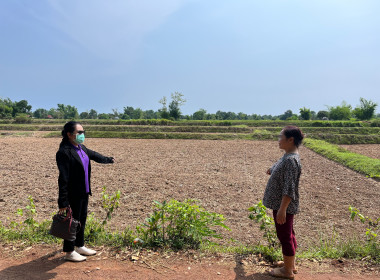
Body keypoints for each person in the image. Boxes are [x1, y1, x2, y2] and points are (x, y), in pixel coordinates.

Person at [56, 121, 115, 262]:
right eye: (79, 133)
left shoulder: (81, 148)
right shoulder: (64, 152)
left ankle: (79, 245)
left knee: (81, 219)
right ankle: (69, 252)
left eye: (83, 132)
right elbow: (63, 178)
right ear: (70, 134)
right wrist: (63, 201)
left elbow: (94, 155)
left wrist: (108, 159)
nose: (82, 135)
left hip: (84, 192)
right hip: (73, 193)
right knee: (72, 221)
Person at [263, 126, 304, 280]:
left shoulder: (291, 161)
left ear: (290, 140)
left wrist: (282, 210)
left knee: (284, 236)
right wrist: (272, 168)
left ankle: (287, 272)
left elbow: (289, 188)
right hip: (281, 205)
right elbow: (280, 164)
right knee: (289, 234)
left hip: (283, 206)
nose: (278, 140)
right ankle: (290, 264)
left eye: (281, 137)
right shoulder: (288, 156)